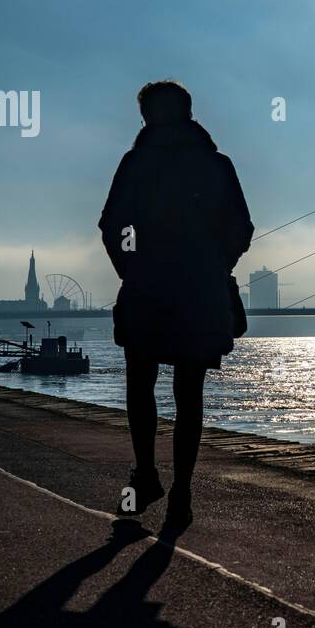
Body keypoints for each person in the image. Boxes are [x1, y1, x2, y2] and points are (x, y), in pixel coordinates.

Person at [99, 81, 253, 532]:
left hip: (148, 285)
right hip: (200, 292)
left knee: (140, 383)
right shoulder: (216, 164)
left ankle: (146, 474)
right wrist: (214, 265)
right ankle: (182, 492)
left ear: (147, 116)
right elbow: (241, 227)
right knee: (190, 394)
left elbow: (112, 224)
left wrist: (130, 266)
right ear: (188, 113)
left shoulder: (136, 163)